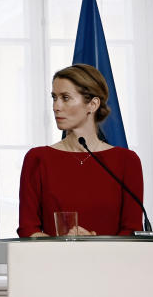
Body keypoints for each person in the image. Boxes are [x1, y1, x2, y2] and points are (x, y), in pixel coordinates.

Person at [17, 63, 143, 237]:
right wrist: (66, 246)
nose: (56, 106)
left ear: (92, 104)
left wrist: (94, 245)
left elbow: (132, 230)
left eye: (65, 98)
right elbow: (28, 229)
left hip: (111, 263)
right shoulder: (38, 158)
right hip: (54, 263)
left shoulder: (126, 161)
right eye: (54, 98)